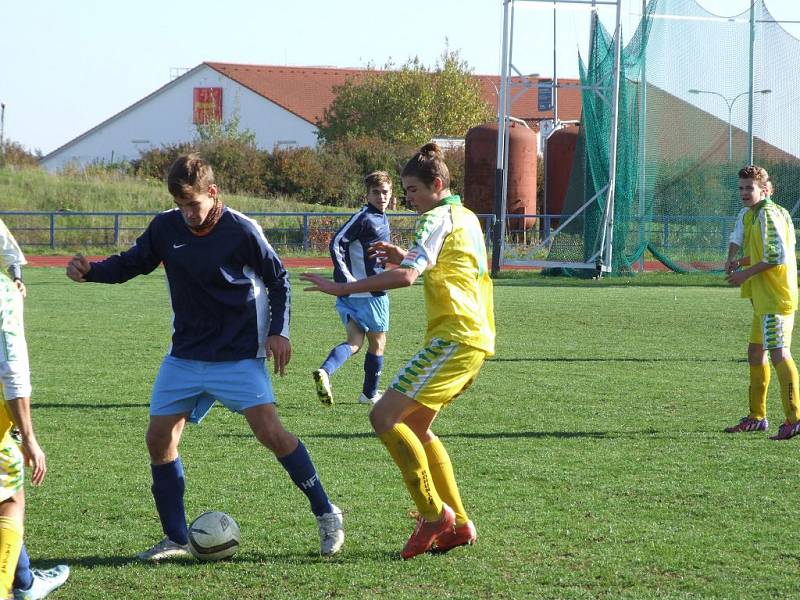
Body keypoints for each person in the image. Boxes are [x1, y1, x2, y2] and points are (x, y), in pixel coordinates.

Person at [66, 153, 344, 559]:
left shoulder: (242, 229)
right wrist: (92, 271)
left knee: (271, 434)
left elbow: (277, 277)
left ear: (212, 193)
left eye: (193, 204)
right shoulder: (166, 226)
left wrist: (278, 333)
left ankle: (326, 513)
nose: (188, 214)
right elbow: (134, 263)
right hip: (186, 354)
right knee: (159, 438)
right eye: (180, 206)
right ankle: (176, 538)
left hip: (237, 355)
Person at [301, 142, 495, 559]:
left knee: (383, 416)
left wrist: (343, 287)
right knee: (419, 429)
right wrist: (404, 255)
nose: (407, 199)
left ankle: (433, 515)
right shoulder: (466, 216)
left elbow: (407, 278)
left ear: (437, 185)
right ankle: (459, 524)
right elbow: (446, 263)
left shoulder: (434, 217)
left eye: (412, 190)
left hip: (454, 337)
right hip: (475, 337)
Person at [0, 222, 70, 600]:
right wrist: (29, 437)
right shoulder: (4, 295)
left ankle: (24, 580)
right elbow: (12, 369)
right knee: (10, 497)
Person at [724, 165, 800, 440]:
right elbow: (761, 251)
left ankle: (795, 418)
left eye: (750, 188)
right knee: (756, 352)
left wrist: (744, 273)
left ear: (764, 189)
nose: (744, 193)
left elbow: (777, 256)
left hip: (776, 297)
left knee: (780, 353)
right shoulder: (755, 214)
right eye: (741, 188)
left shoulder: (768, 214)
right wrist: (739, 261)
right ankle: (757, 416)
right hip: (763, 299)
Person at [312, 171, 392, 406]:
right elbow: (337, 241)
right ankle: (369, 394)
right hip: (369, 293)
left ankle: (325, 372)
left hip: (353, 293)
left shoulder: (380, 217)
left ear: (391, 194)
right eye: (375, 193)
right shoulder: (365, 217)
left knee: (355, 342)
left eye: (385, 192)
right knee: (378, 343)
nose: (381, 197)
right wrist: (347, 277)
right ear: (366, 194)